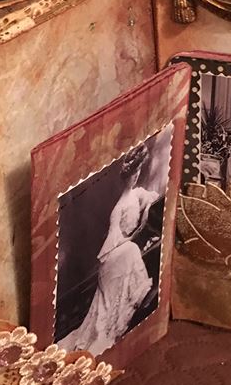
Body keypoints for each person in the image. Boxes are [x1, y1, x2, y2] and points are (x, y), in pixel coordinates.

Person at [61, 143, 159, 355]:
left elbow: (151, 198)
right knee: (131, 250)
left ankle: (140, 298)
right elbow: (113, 243)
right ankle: (131, 305)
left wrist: (146, 212)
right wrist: (133, 236)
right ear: (125, 177)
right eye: (132, 174)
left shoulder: (138, 194)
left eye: (138, 172)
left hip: (124, 250)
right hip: (113, 256)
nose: (136, 176)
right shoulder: (118, 208)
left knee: (132, 249)